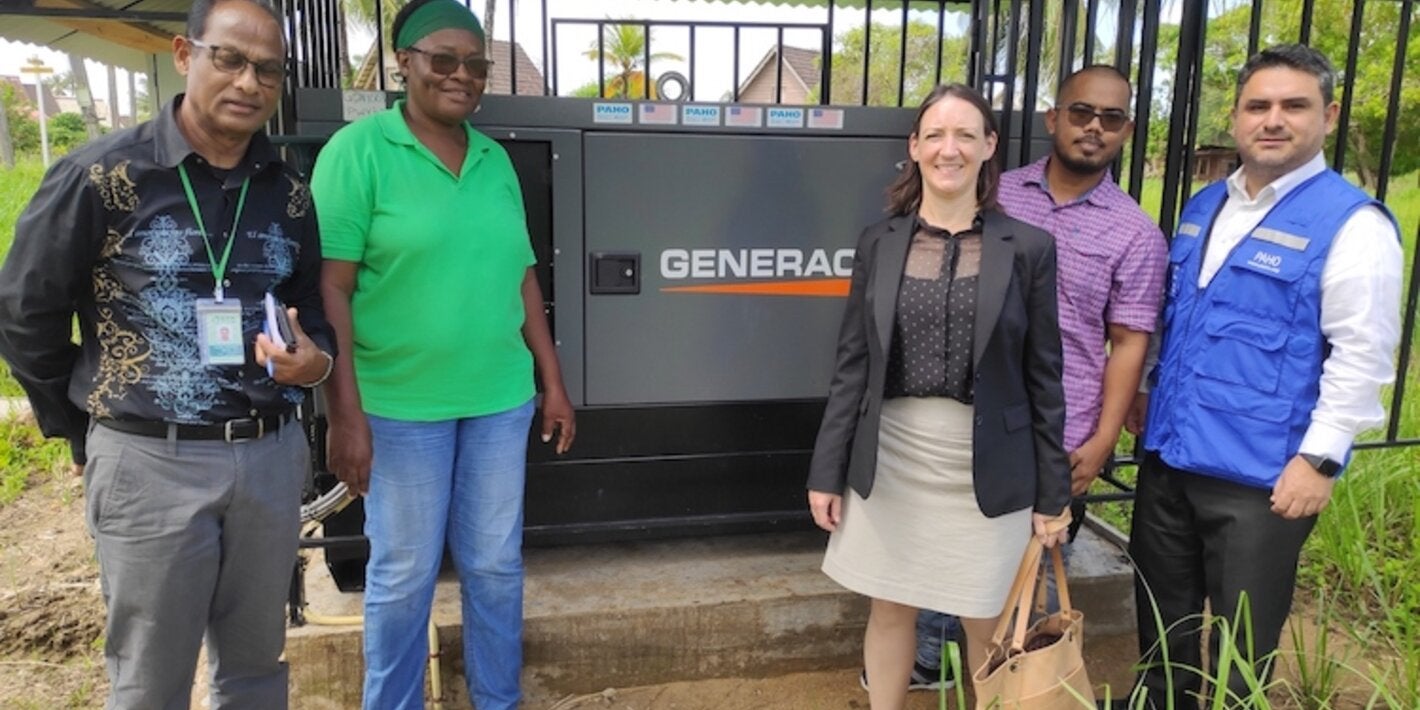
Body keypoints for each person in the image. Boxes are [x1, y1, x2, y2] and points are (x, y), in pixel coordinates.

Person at [0, 0, 335, 706]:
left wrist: (317, 364)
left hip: (269, 458)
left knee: (256, 670)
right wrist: (77, 426)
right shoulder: (101, 176)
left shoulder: (288, 195)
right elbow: (25, 312)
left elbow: (317, 314)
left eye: (267, 69)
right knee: (149, 681)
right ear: (186, 55)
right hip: (149, 462)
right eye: (231, 59)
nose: (248, 82)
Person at [309, 1, 575, 708]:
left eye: (476, 64)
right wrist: (345, 415)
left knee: (494, 566)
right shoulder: (357, 153)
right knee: (403, 575)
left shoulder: (493, 160)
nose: (462, 76)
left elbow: (521, 277)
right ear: (405, 63)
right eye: (444, 60)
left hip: (498, 399)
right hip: (399, 408)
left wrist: (551, 381)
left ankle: (498, 700)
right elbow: (330, 291)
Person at [1125, 44, 1402, 708]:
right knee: (1162, 627)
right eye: (1259, 105)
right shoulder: (1203, 206)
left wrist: (1320, 460)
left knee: (1241, 651)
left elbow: (1362, 356)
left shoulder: (1353, 226)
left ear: (1329, 116)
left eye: (1294, 106)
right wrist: (1143, 392)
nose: (1273, 120)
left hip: (1262, 480)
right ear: (1238, 115)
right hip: (1170, 456)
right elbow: (1180, 315)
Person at [806, 83, 1073, 710]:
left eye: (964, 135)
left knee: (986, 619)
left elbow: (1045, 377)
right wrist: (827, 471)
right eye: (934, 135)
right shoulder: (880, 241)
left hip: (986, 464)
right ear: (915, 147)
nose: (947, 149)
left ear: (988, 147)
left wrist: (1052, 493)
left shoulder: (1030, 248)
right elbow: (852, 364)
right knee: (889, 609)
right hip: (893, 457)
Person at [904, 65, 1169, 691]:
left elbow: (1130, 343)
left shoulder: (1136, 233)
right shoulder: (998, 195)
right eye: (1081, 112)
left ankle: (1018, 685)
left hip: (1061, 430)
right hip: (966, 415)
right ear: (1054, 118)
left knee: (1034, 568)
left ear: (1126, 131)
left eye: (1111, 119)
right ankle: (931, 664)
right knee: (948, 545)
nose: (1094, 128)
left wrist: (1103, 441)